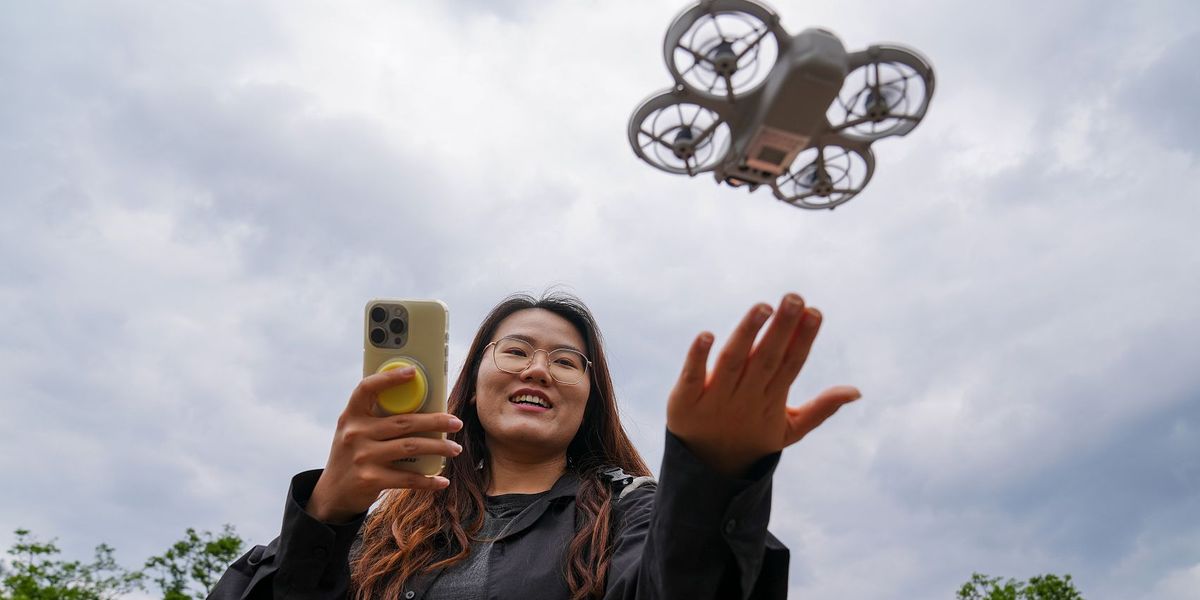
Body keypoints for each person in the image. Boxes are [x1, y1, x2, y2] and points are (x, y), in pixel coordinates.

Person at [211, 292, 860, 600]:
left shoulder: (632, 515)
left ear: (588, 398)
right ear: (471, 386)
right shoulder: (376, 531)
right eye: (516, 351)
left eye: (565, 361)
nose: (537, 370)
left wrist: (715, 474)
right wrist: (324, 516)